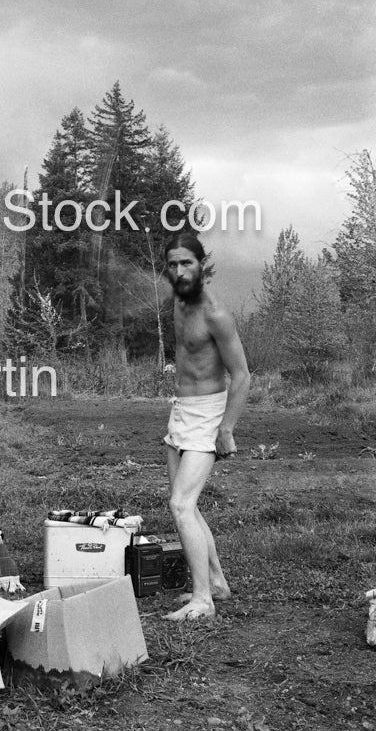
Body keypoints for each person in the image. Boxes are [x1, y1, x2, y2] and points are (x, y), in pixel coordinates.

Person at [162, 232, 250, 621]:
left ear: (202, 265)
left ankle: (203, 600)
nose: (180, 271)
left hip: (208, 415)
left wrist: (226, 429)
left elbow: (242, 375)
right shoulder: (178, 302)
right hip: (181, 410)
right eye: (173, 264)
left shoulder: (216, 314)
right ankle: (216, 582)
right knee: (186, 505)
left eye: (187, 263)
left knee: (181, 505)